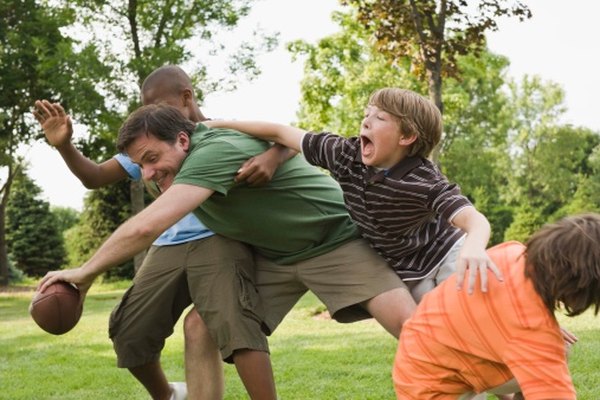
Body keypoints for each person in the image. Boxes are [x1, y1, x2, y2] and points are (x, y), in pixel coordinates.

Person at [36, 102, 418, 396]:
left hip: (335, 241)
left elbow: (149, 225)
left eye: (152, 160)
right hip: (278, 257)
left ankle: (463, 382)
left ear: (182, 141)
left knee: (409, 325)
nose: (148, 174)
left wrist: (84, 273)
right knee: (199, 325)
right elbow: (100, 178)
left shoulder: (211, 152)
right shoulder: (179, 164)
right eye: (141, 165)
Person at [32, 66, 295, 400]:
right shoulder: (151, 146)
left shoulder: (222, 134)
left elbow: (290, 138)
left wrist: (274, 156)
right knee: (129, 330)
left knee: (230, 326)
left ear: (186, 98)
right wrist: (65, 146)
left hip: (220, 238)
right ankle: (170, 396)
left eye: (159, 104)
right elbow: (95, 176)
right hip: (167, 243)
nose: (150, 114)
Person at [204, 87, 501, 300]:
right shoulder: (346, 155)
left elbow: (475, 221)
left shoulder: (423, 179)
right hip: (409, 270)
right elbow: (280, 132)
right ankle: (506, 389)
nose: (366, 121)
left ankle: (510, 386)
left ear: (407, 137)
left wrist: (473, 248)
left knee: (466, 325)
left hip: (448, 253)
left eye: (380, 118)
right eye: (367, 114)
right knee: (446, 339)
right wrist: (216, 124)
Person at [392, 213, 600, 399]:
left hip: (417, 359)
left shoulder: (513, 252)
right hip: (431, 389)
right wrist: (541, 335)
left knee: (558, 351)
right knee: (551, 359)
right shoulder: (532, 329)